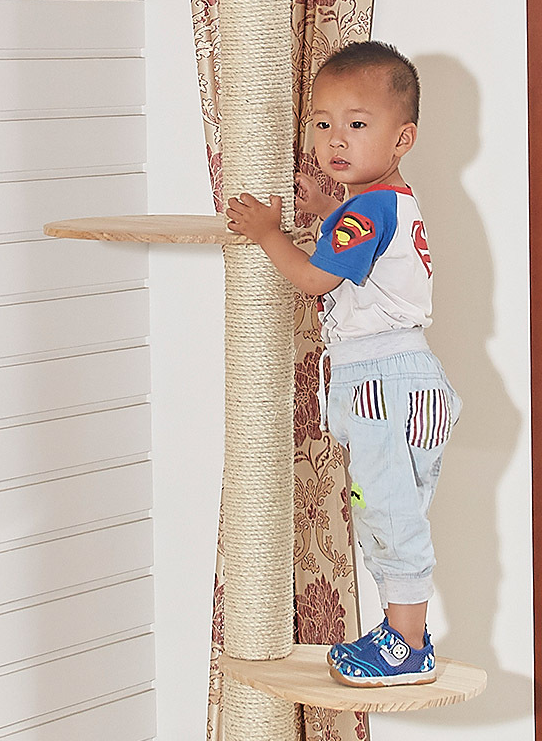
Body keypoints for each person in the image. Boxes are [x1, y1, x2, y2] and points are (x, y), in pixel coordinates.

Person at [226, 40, 461, 688]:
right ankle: (404, 633)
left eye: (357, 123)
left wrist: (268, 232)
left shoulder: (368, 211)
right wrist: (328, 212)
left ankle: (406, 647)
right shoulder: (387, 202)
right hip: (403, 376)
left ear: (402, 138)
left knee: (389, 516)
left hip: (384, 382)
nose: (335, 138)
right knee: (393, 511)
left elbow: (312, 280)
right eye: (323, 122)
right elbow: (367, 257)